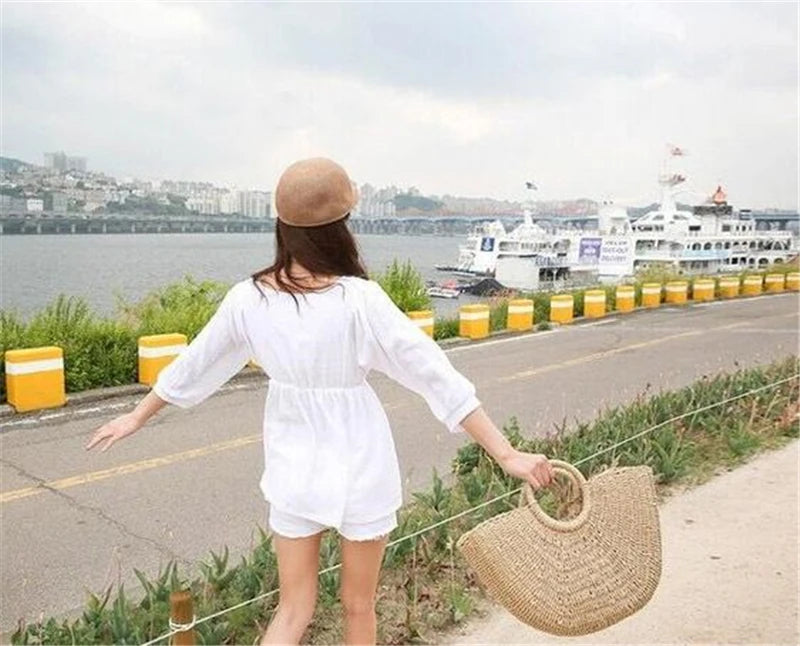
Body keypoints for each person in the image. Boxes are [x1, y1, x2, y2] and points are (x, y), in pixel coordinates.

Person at [85, 157, 555, 646]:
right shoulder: (359, 300)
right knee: (358, 607)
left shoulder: (250, 298)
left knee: (293, 610)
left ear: (282, 227)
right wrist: (506, 453)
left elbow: (195, 363)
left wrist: (137, 415)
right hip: (360, 461)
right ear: (341, 228)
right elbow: (436, 376)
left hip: (293, 463)